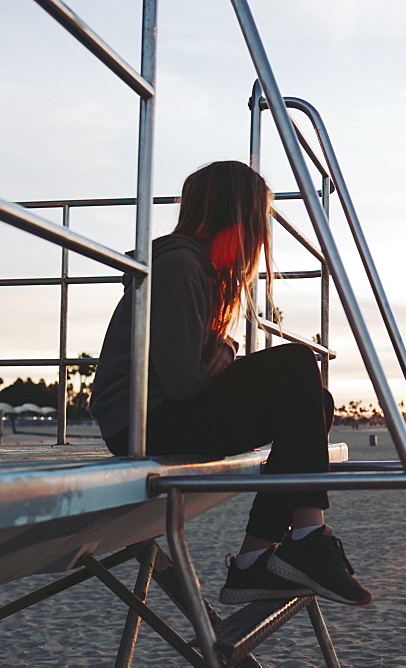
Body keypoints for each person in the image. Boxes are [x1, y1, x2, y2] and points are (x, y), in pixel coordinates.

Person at [90, 160, 371, 606]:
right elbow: (183, 382)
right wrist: (221, 357)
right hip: (143, 422)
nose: (262, 231)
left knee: (317, 402)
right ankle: (308, 536)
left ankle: (253, 561)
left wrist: (221, 353)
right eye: (259, 217)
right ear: (237, 215)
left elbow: (187, 363)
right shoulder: (181, 266)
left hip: (160, 414)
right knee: (298, 361)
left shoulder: (199, 269)